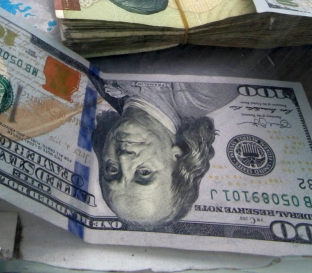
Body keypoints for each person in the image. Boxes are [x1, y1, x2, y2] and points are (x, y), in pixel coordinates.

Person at [91, 79, 238, 229]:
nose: (123, 158)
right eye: (144, 172)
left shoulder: (102, 85)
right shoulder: (206, 93)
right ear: (179, 158)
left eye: (113, 170)